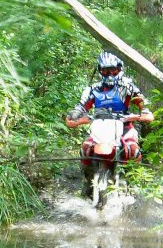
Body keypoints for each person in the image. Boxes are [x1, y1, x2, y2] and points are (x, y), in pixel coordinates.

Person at [65, 51, 153, 195]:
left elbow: (143, 105)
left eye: (113, 69)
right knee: (86, 149)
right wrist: (75, 114)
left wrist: (142, 113)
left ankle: (133, 183)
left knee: (132, 150)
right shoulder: (93, 89)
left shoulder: (128, 87)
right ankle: (88, 180)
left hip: (124, 127)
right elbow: (81, 106)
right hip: (101, 126)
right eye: (105, 70)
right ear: (100, 70)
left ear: (119, 68)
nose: (109, 73)